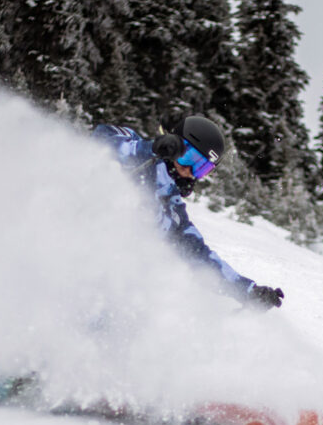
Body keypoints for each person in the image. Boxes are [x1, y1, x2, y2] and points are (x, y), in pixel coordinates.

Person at [92, 115, 284, 310]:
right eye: (189, 158)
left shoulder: (172, 210)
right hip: (78, 240)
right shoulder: (139, 151)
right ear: (174, 144)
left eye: (201, 167)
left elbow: (199, 255)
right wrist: (151, 149)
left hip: (110, 283)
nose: (189, 171)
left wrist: (247, 290)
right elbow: (100, 137)